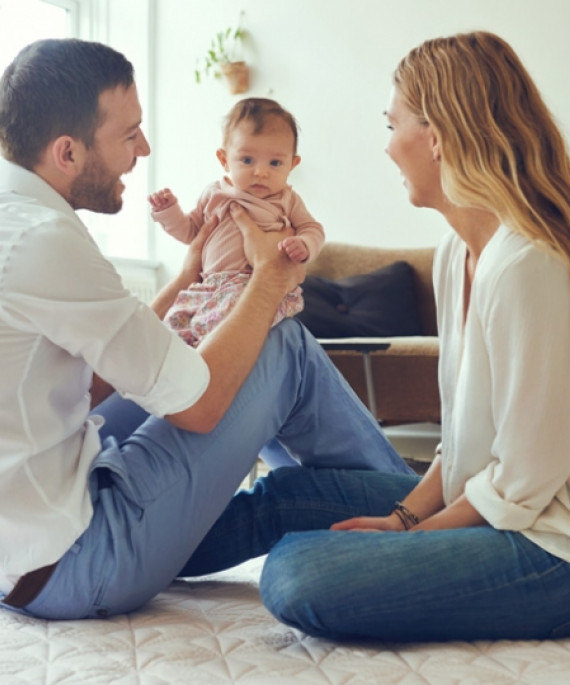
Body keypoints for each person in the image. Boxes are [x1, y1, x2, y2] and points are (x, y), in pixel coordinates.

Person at [0, 38, 412, 620]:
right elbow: (197, 407)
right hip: (79, 556)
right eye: (129, 134)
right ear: (67, 152)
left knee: (255, 367)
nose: (143, 148)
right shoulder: (44, 241)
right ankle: (427, 516)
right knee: (282, 340)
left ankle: (413, 510)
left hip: (27, 547)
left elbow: (96, 381)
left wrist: (189, 273)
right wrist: (269, 279)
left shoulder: (15, 220)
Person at [179, 31, 570, 643]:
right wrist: (404, 515)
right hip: (493, 504)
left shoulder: (531, 266)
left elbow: (523, 483)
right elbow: (469, 437)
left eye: (392, 127)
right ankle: (120, 559)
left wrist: (409, 538)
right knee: (286, 494)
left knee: (295, 573)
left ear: (436, 136)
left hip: (548, 543)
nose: (387, 149)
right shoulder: (455, 254)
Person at [149, 97, 325, 346]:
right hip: (208, 286)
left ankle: (215, 359)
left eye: (275, 163)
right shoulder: (214, 194)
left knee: (217, 327)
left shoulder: (287, 199)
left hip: (251, 286)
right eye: (247, 160)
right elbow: (191, 232)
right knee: (171, 327)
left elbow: (313, 228)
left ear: (292, 164)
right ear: (224, 159)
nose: (261, 172)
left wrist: (305, 244)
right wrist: (168, 211)